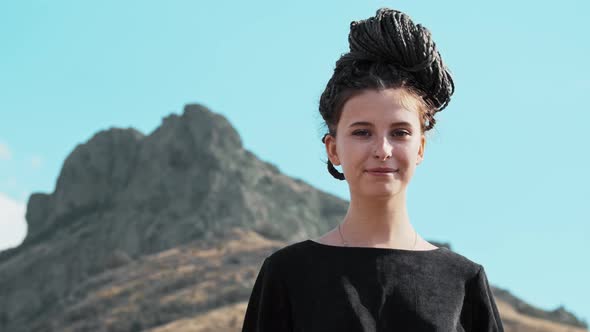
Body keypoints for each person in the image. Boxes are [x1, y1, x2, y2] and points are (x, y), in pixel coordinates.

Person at [241, 7, 504, 332]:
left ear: (420, 148)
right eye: (362, 132)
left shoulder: (464, 281)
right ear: (333, 148)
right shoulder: (286, 274)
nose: (382, 150)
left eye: (400, 132)